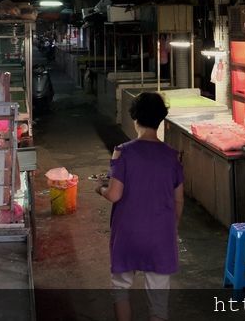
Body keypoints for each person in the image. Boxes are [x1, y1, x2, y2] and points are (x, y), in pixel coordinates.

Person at [96, 92, 184, 321]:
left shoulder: (123, 151)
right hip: (161, 236)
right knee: (158, 304)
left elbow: (115, 195)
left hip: (128, 233)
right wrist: (170, 227)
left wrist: (100, 189)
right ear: (160, 119)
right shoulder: (173, 157)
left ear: (135, 118)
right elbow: (179, 200)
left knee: (120, 289)